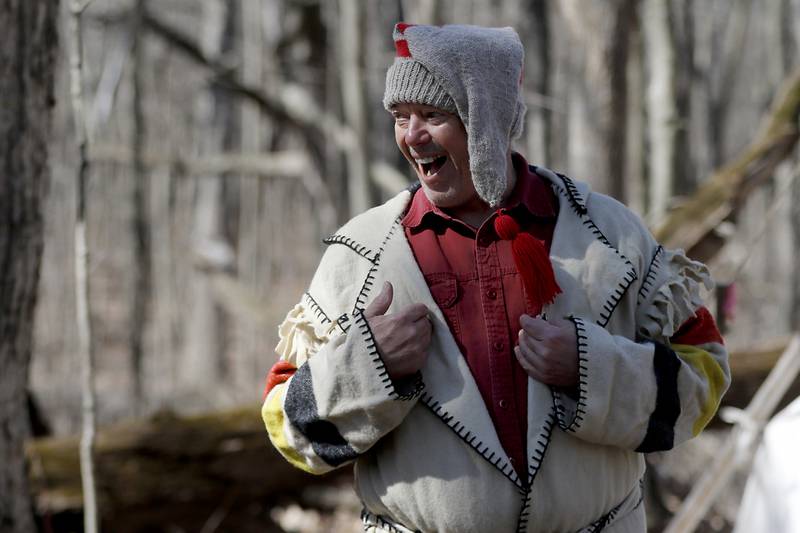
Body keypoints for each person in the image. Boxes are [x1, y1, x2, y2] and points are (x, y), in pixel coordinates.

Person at [261, 23, 729, 533]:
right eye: (400, 116)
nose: (411, 136)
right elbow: (288, 430)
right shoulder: (361, 254)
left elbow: (704, 380)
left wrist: (592, 367)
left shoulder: (612, 235)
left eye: (432, 115)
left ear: (485, 119)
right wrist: (366, 368)